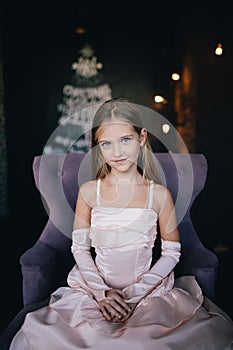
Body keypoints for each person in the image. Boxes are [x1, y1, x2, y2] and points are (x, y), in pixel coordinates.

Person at [9, 98, 233, 349]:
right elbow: (80, 249)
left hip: (148, 293)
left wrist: (134, 296)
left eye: (125, 140)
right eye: (106, 144)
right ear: (98, 147)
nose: (117, 153)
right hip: (95, 291)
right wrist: (102, 293)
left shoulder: (158, 194)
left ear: (142, 137)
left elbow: (172, 252)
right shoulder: (89, 192)